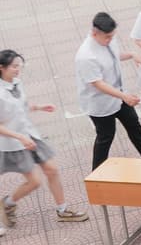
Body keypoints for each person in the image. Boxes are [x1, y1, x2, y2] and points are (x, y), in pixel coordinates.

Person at [0, 50, 88, 223]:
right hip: (13, 143)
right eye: (14, 66)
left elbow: (20, 106)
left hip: (29, 135)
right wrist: (20, 137)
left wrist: (39, 107)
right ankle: (8, 203)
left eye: (19, 66)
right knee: (34, 182)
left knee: (52, 170)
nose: (18, 70)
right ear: (1, 68)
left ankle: (62, 210)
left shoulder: (16, 82)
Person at [76, 12, 141, 170]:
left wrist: (131, 55)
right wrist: (124, 96)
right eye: (107, 37)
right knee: (105, 136)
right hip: (100, 103)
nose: (110, 40)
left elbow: (113, 56)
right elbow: (98, 83)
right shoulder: (86, 56)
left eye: (112, 36)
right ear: (94, 33)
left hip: (119, 95)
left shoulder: (107, 40)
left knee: (134, 125)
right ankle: (97, 170)